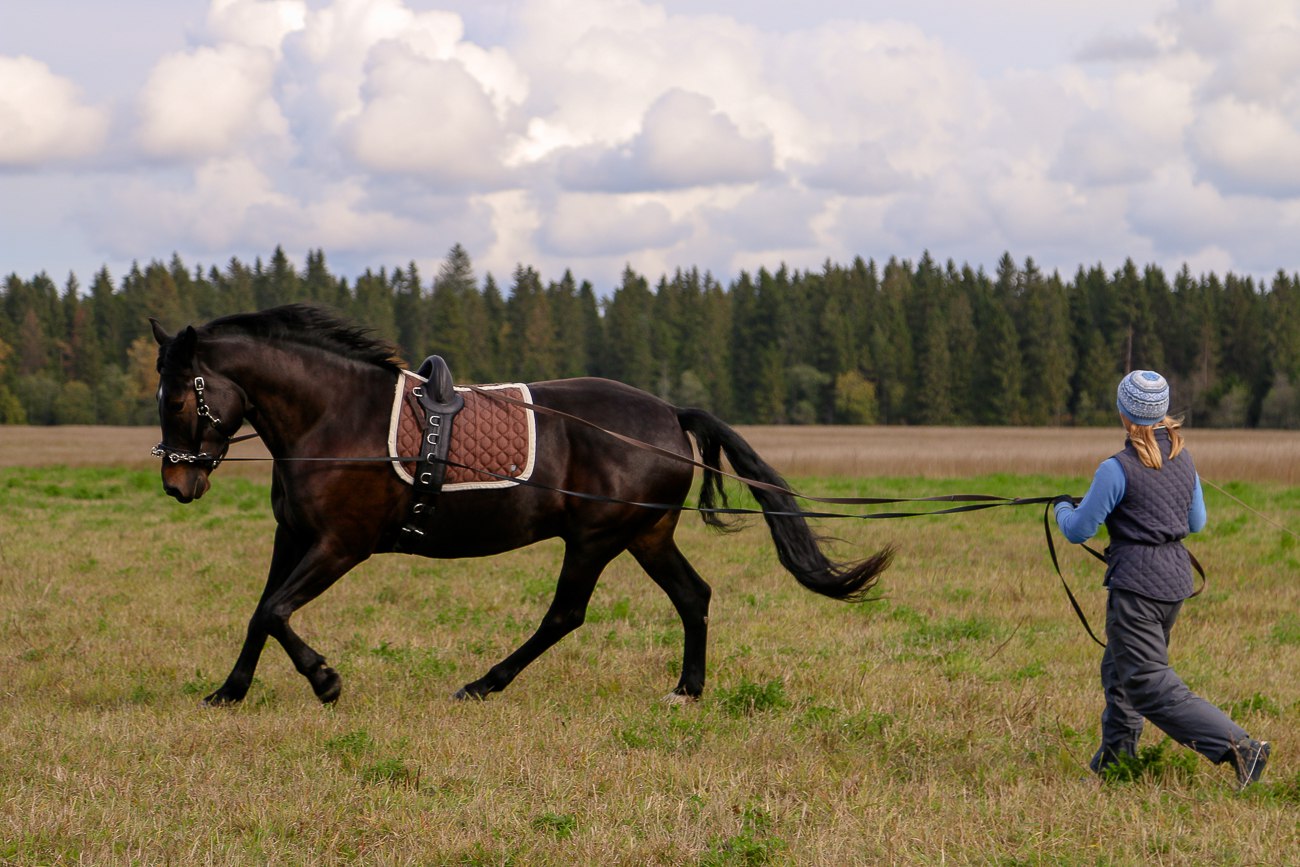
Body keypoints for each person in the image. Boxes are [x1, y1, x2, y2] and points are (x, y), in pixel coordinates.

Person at [1054, 370, 1269, 789]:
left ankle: (1241, 746)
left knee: (1147, 683)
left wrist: (1063, 507)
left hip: (1137, 587)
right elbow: (1197, 522)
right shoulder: (1183, 457)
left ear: (1123, 412)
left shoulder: (1115, 469)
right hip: (1173, 584)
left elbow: (1079, 530)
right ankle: (1116, 766)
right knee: (1121, 671)